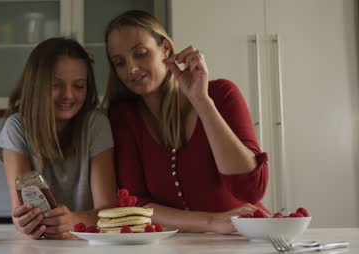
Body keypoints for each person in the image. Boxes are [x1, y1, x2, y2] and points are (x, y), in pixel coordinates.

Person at [102, 10, 269, 234]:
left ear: (166, 49)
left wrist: (201, 100)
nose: (131, 68)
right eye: (119, 62)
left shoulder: (221, 95)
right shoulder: (124, 117)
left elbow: (251, 190)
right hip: (174, 245)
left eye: (141, 53)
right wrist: (212, 222)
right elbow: (137, 204)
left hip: (244, 237)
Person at [0, 38, 116, 239]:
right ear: (36, 85)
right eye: (55, 85)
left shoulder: (96, 124)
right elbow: (20, 210)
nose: (68, 95)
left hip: (88, 243)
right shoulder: (15, 128)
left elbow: (108, 211)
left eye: (78, 86)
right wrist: (23, 221)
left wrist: (73, 221)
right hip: (41, 245)